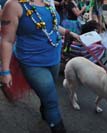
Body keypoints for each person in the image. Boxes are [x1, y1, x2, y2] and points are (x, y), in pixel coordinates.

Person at [0, 0, 79, 132]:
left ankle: (45, 112)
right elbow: (7, 40)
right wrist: (5, 71)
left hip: (54, 59)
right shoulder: (13, 5)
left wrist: (69, 33)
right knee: (52, 101)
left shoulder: (47, 2)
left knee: (48, 95)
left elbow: (51, 27)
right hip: (33, 63)